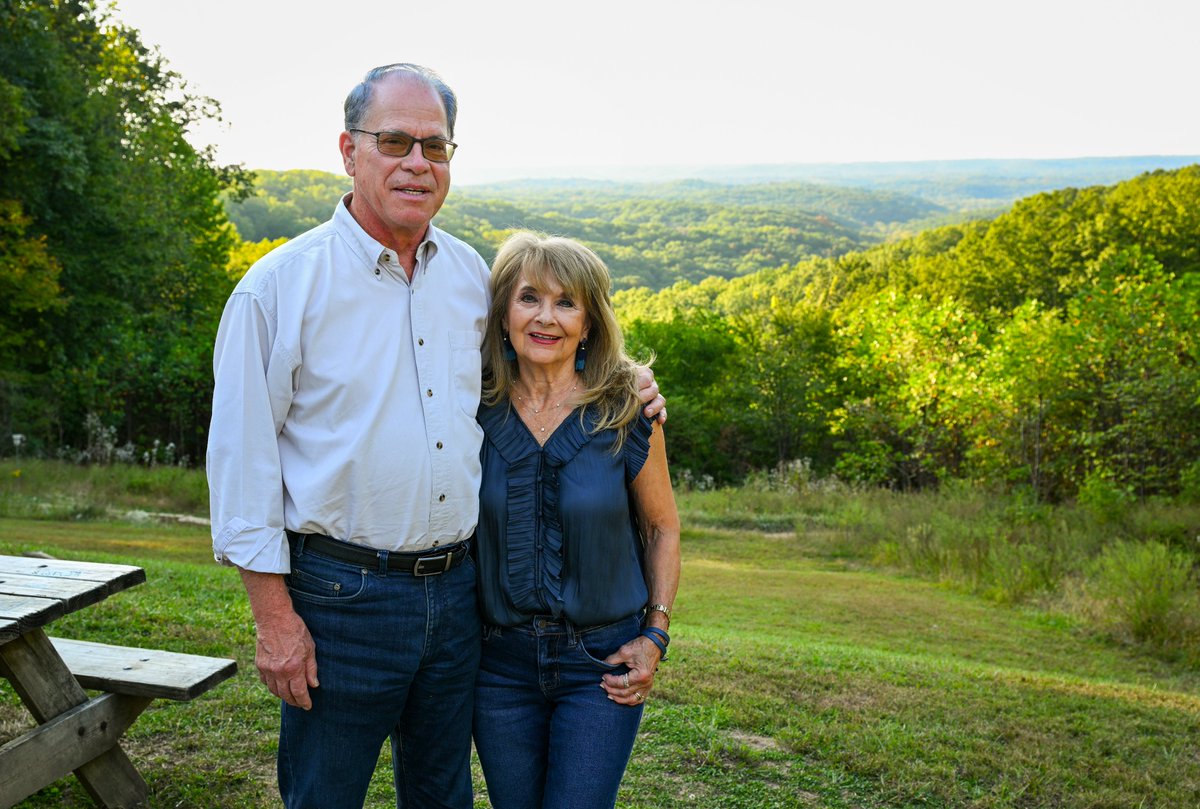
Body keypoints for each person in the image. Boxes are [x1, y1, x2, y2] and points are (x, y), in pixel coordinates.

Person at [206, 65, 664, 809]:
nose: (417, 163)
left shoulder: (467, 277)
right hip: (339, 595)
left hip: (458, 600)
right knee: (326, 795)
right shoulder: (279, 289)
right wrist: (274, 619)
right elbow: (240, 470)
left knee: (442, 794)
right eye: (395, 142)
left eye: (436, 146)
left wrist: (630, 382)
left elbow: (538, 364)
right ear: (349, 151)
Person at [472, 232, 681, 809]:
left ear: (589, 323)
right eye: (529, 298)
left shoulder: (627, 409)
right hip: (497, 666)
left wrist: (655, 635)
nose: (546, 317)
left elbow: (663, 528)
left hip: (601, 664)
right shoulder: (471, 406)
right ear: (504, 313)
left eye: (566, 303)